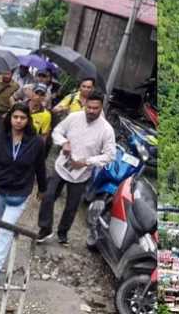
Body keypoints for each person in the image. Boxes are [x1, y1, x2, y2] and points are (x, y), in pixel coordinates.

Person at [0, 102, 47, 284]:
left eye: (22, 118)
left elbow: (40, 166)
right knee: (2, 224)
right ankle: (1, 250)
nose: (18, 121)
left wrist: (43, 188)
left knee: (7, 227)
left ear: (28, 120)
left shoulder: (37, 142)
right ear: (10, 118)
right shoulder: (1, 137)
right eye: (15, 117)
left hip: (20, 191)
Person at [36, 91, 115, 246]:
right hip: (62, 166)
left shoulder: (106, 129)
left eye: (95, 108)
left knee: (71, 206)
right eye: (89, 107)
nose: (91, 111)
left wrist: (87, 162)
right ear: (85, 105)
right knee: (48, 196)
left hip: (81, 174)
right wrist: (64, 142)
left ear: (101, 108)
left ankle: (63, 233)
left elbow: (110, 155)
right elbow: (57, 131)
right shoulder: (73, 117)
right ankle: (45, 228)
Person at [0, 71, 19, 135]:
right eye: (5, 73)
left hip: (4, 112)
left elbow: (15, 101)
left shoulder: (15, 86)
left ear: (12, 75)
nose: (6, 76)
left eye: (8, 74)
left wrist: (8, 113)